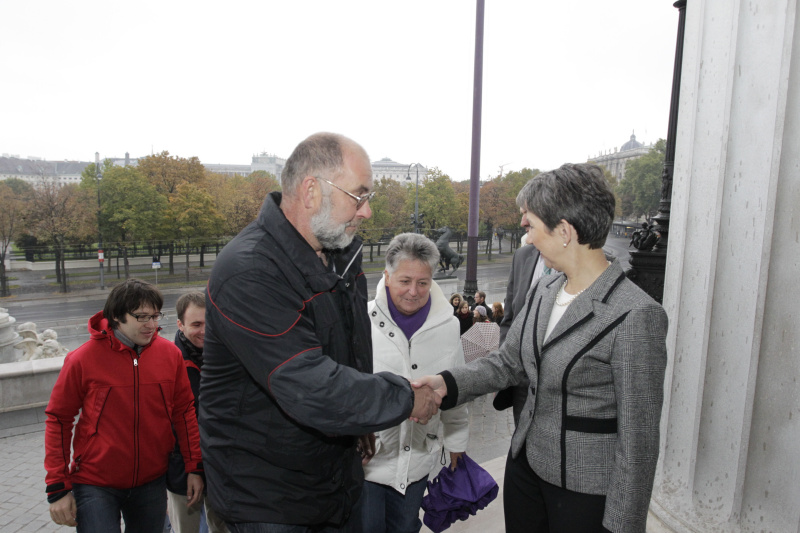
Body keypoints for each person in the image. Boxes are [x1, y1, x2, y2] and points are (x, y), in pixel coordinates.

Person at [199, 132, 441, 532]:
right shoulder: (250, 271)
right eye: (358, 196)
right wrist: (404, 398)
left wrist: (359, 423)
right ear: (312, 191)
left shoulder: (340, 256)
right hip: (268, 502)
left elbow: (348, 350)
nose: (366, 212)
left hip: (330, 484)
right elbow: (311, 386)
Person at [414, 163, 668, 533]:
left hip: (585, 495)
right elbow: (507, 363)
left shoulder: (637, 314)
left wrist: (623, 526)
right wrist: (446, 384)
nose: (527, 238)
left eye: (530, 225)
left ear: (564, 231)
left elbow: (639, 440)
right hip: (525, 473)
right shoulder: (545, 290)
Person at [45, 278, 204, 532]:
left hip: (151, 482)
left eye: (155, 316)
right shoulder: (82, 359)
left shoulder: (170, 355)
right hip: (94, 482)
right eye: (142, 317)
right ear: (118, 316)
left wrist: (194, 467)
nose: (151, 325)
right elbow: (58, 419)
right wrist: (57, 485)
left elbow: (184, 413)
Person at [362, 233, 469, 533]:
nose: (413, 291)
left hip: (418, 461)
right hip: (368, 464)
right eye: (404, 281)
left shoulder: (449, 326)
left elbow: (455, 385)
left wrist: (457, 442)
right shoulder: (361, 319)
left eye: (423, 282)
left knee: (406, 528)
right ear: (387, 276)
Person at [166, 292, 228, 533]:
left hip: (221, 466)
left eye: (208, 323)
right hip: (181, 468)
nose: (204, 330)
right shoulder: (169, 364)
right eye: (196, 325)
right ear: (180, 325)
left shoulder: (226, 356)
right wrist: (191, 469)